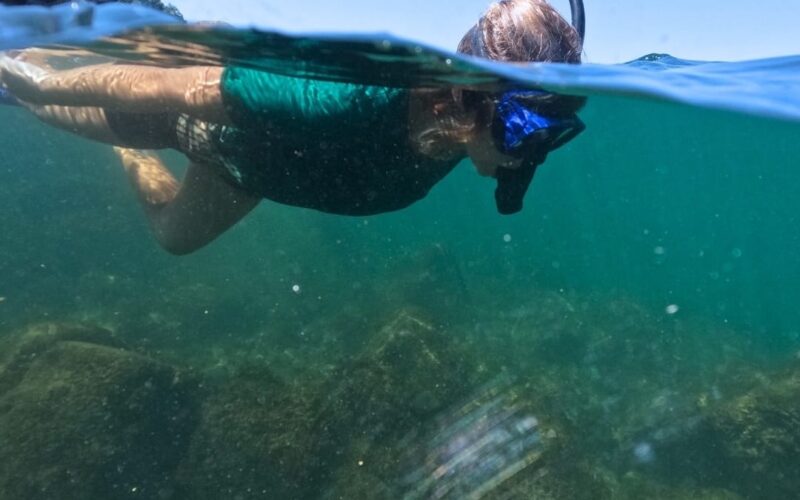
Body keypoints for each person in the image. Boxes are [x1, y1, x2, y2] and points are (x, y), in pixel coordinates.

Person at [0, 0, 586, 254]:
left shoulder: (466, 134)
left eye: (551, 128)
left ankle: (127, 155)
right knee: (31, 96)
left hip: (254, 169)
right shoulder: (344, 99)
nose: (533, 149)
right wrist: (39, 85)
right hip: (193, 123)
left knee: (173, 240)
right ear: (470, 98)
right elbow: (173, 89)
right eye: (525, 126)